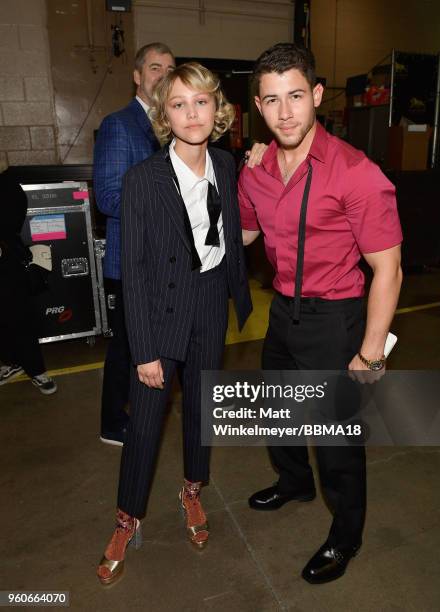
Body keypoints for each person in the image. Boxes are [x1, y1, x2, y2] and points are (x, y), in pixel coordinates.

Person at [239, 43, 403, 584]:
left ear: (314, 96)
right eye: (271, 100)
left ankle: (345, 535)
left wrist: (370, 351)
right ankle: (293, 482)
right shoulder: (256, 170)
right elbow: (244, 233)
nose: (285, 112)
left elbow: (389, 269)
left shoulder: (356, 173)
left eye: (295, 96)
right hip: (282, 310)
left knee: (335, 440)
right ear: (257, 107)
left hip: (335, 318)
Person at [96, 62, 252, 586]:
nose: (191, 113)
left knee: (201, 410)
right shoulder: (143, 179)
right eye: (179, 104)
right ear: (165, 113)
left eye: (201, 101)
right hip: (159, 310)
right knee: (144, 421)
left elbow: (233, 231)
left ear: (218, 109)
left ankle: (192, 490)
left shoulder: (228, 166)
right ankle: (126, 518)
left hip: (210, 302)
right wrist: (143, 349)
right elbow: (134, 273)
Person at [93, 42, 176, 446]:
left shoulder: (171, 125)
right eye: (155, 68)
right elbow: (108, 197)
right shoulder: (119, 124)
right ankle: (113, 421)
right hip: (132, 261)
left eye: (170, 69)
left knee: (149, 344)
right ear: (138, 76)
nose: (163, 75)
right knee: (127, 346)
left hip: (162, 261)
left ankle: (140, 410)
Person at [0, 166, 57, 395]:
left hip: (7, 262)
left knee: (19, 316)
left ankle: (35, 370)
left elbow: (13, 219)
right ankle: (10, 363)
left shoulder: (7, 186)